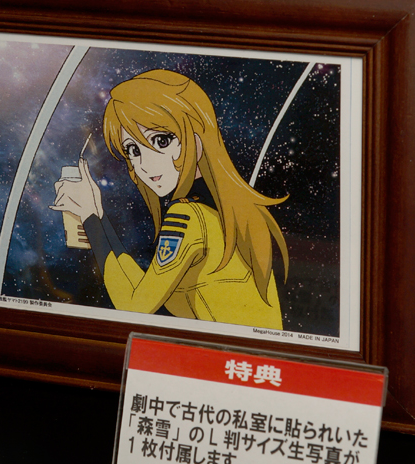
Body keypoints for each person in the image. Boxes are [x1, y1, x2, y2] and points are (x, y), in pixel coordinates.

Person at [51, 69, 288, 329]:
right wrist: (97, 214)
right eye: (133, 149)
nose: (145, 163)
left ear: (197, 138)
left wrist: (90, 218)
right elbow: (143, 289)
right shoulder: (229, 211)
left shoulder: (189, 216)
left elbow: (133, 304)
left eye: (161, 140)